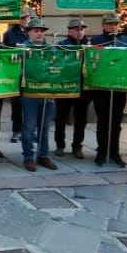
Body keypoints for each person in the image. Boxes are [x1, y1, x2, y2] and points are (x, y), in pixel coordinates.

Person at [89, 13, 127, 167]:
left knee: (116, 122)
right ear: (104, 25)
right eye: (110, 24)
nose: (114, 26)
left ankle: (114, 152)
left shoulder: (126, 41)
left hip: (119, 87)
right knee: (103, 121)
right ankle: (102, 152)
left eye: (116, 24)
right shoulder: (96, 41)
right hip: (102, 88)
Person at [19, 18, 58, 172]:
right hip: (29, 93)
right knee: (29, 125)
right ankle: (28, 156)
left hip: (47, 92)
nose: (39, 34)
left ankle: (43, 155)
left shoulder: (51, 49)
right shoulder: (22, 49)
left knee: (45, 126)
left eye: (42, 31)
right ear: (29, 32)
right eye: (36, 31)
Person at [54, 18, 90, 159]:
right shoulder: (62, 45)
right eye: (76, 29)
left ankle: (77, 146)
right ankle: (60, 145)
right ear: (69, 31)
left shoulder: (89, 46)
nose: (79, 32)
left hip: (83, 88)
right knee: (61, 117)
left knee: (81, 119)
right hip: (65, 86)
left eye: (81, 29)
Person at [2, 7, 35, 144]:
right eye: (23, 18)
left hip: (31, 72)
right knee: (16, 104)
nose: (26, 20)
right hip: (16, 72)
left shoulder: (34, 31)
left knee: (31, 104)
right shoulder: (10, 33)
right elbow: (6, 51)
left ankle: (30, 131)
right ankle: (16, 130)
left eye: (28, 17)